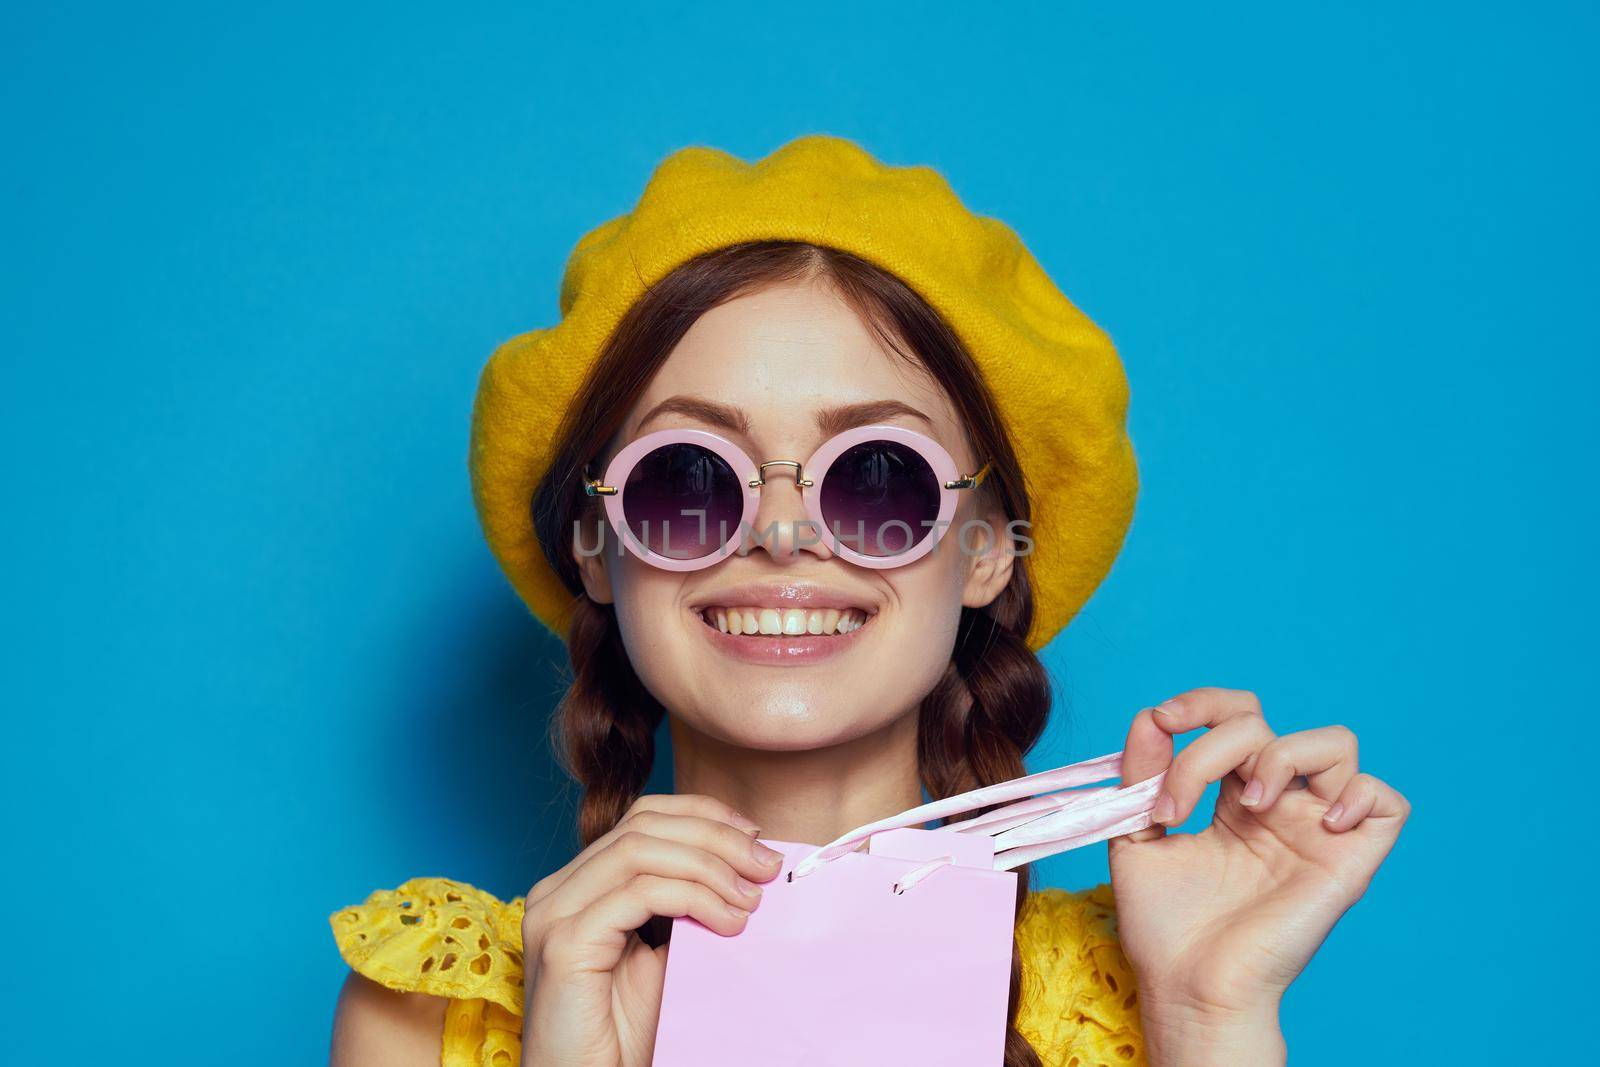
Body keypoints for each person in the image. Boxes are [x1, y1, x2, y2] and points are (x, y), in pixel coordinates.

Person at [327, 136, 1408, 1067]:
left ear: (986, 550)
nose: (784, 532)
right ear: (598, 550)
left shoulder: (1153, 978)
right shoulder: (432, 1011)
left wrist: (1209, 1014)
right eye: (687, 480)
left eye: (877, 479)